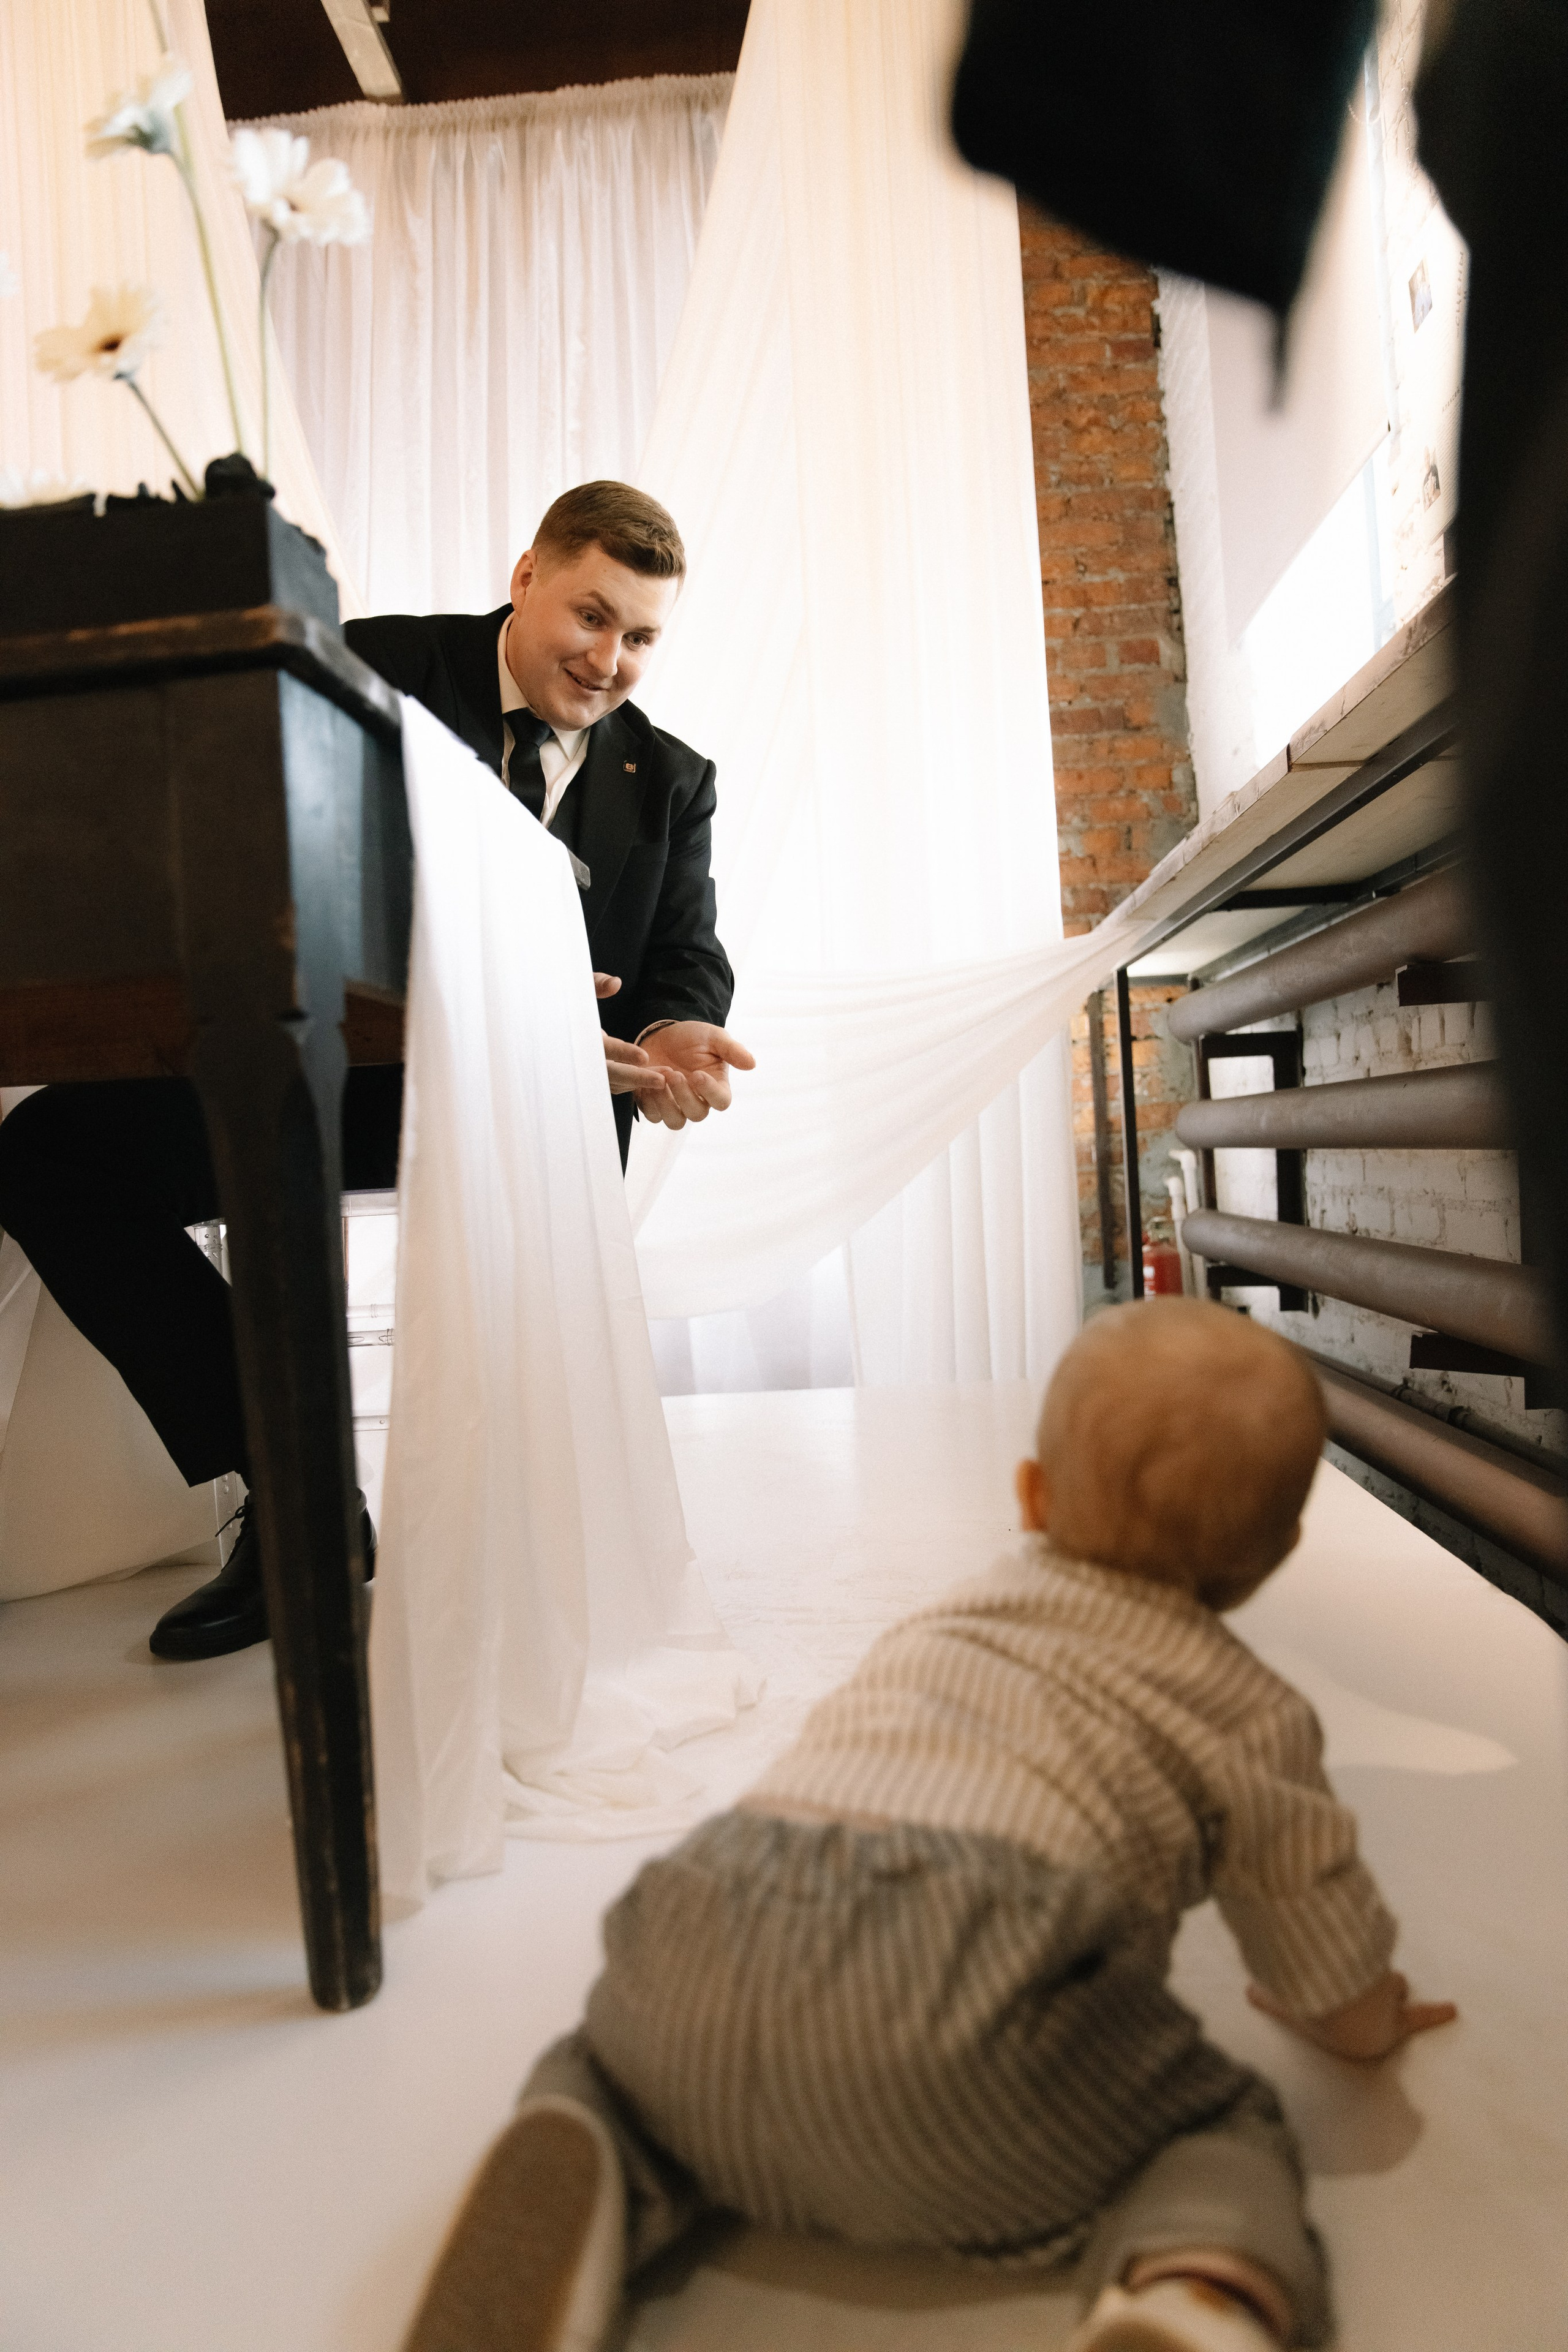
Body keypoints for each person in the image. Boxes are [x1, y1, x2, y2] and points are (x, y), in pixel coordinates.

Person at [401, 1298, 1457, 2352]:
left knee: (603, 2069)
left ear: (1031, 1495)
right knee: (1224, 2129)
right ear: (1278, 1550)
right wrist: (1358, 2021)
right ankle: (1192, 2291)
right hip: (969, 2009)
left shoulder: (943, 1620)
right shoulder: (1249, 1712)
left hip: (705, 1925)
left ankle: (582, 2163)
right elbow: (1321, 1943)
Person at [0, 481, 751, 1663]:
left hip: (530, 1111)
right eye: (592, 615)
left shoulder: (672, 780)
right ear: (526, 578)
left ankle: (520, 1547)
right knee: (48, 1155)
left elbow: (685, 956)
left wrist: (672, 1032)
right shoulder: (375, 668)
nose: (610, 661)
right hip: (335, 1073)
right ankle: (297, 1498)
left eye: (642, 638)